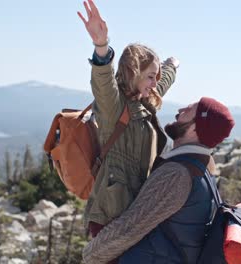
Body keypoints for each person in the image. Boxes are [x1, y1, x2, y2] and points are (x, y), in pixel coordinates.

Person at [82, 97, 235, 264]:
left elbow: (131, 227)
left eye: (188, 110)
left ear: (195, 129)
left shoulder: (177, 174)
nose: (180, 110)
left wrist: (91, 254)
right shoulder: (202, 171)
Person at [77, 0, 180, 238]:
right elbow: (103, 81)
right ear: (134, 73)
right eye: (150, 77)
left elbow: (162, 84)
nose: (155, 83)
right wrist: (101, 45)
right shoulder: (113, 105)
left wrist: (172, 66)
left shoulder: (143, 100)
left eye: (156, 77)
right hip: (110, 217)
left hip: (135, 214)